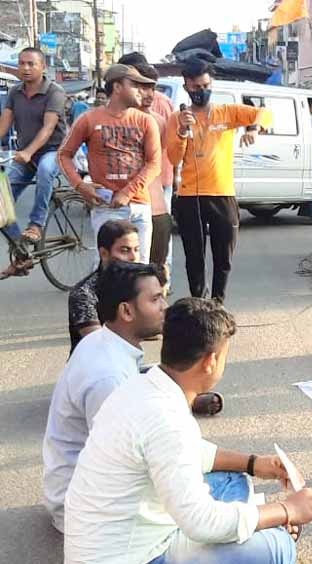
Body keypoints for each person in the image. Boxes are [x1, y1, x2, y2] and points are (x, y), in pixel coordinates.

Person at [63, 298, 312, 563]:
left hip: (118, 536)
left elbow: (190, 453)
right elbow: (201, 521)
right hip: (134, 556)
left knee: (234, 478)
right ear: (210, 361)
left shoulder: (141, 387)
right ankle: (256, 534)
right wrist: (286, 510)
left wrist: (254, 464)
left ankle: (245, 528)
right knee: (278, 547)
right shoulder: (168, 419)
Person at [43, 260, 167, 533]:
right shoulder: (108, 376)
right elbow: (122, 460)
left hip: (80, 491)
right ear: (126, 310)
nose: (164, 307)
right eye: (156, 299)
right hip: (87, 510)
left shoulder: (103, 342)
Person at [166, 59, 269, 303]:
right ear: (186, 87)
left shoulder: (228, 112)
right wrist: (181, 131)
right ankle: (199, 303)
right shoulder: (177, 118)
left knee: (224, 255)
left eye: (205, 85)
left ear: (211, 84)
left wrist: (253, 129)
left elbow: (265, 113)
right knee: (195, 256)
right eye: (195, 87)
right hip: (190, 196)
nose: (201, 91)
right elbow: (173, 157)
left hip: (222, 193)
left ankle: (218, 302)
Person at [58, 64, 161, 263]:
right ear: (117, 87)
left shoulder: (146, 121)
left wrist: (127, 192)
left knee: (139, 270)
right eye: (135, 85)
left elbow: (154, 163)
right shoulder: (88, 119)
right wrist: (80, 185)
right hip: (106, 207)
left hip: (139, 205)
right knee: (105, 269)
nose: (141, 91)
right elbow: (64, 155)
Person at [0, 47, 68, 278]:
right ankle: (22, 255)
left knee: (46, 170)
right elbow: (4, 124)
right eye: (21, 63)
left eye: (31, 64)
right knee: (1, 201)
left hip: (53, 150)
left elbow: (49, 128)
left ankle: (36, 225)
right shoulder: (15, 92)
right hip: (24, 155)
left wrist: (29, 151)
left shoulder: (55, 92)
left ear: (43, 67)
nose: (25, 68)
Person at [67, 220, 141, 351]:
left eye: (137, 250)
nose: (133, 257)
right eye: (125, 250)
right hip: (92, 368)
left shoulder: (138, 285)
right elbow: (99, 346)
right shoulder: (85, 293)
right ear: (104, 254)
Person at [135, 63, 176, 287]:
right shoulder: (108, 120)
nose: (149, 94)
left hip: (156, 207)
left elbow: (161, 160)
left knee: (155, 273)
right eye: (142, 87)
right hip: (125, 205)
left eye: (152, 88)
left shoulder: (159, 121)